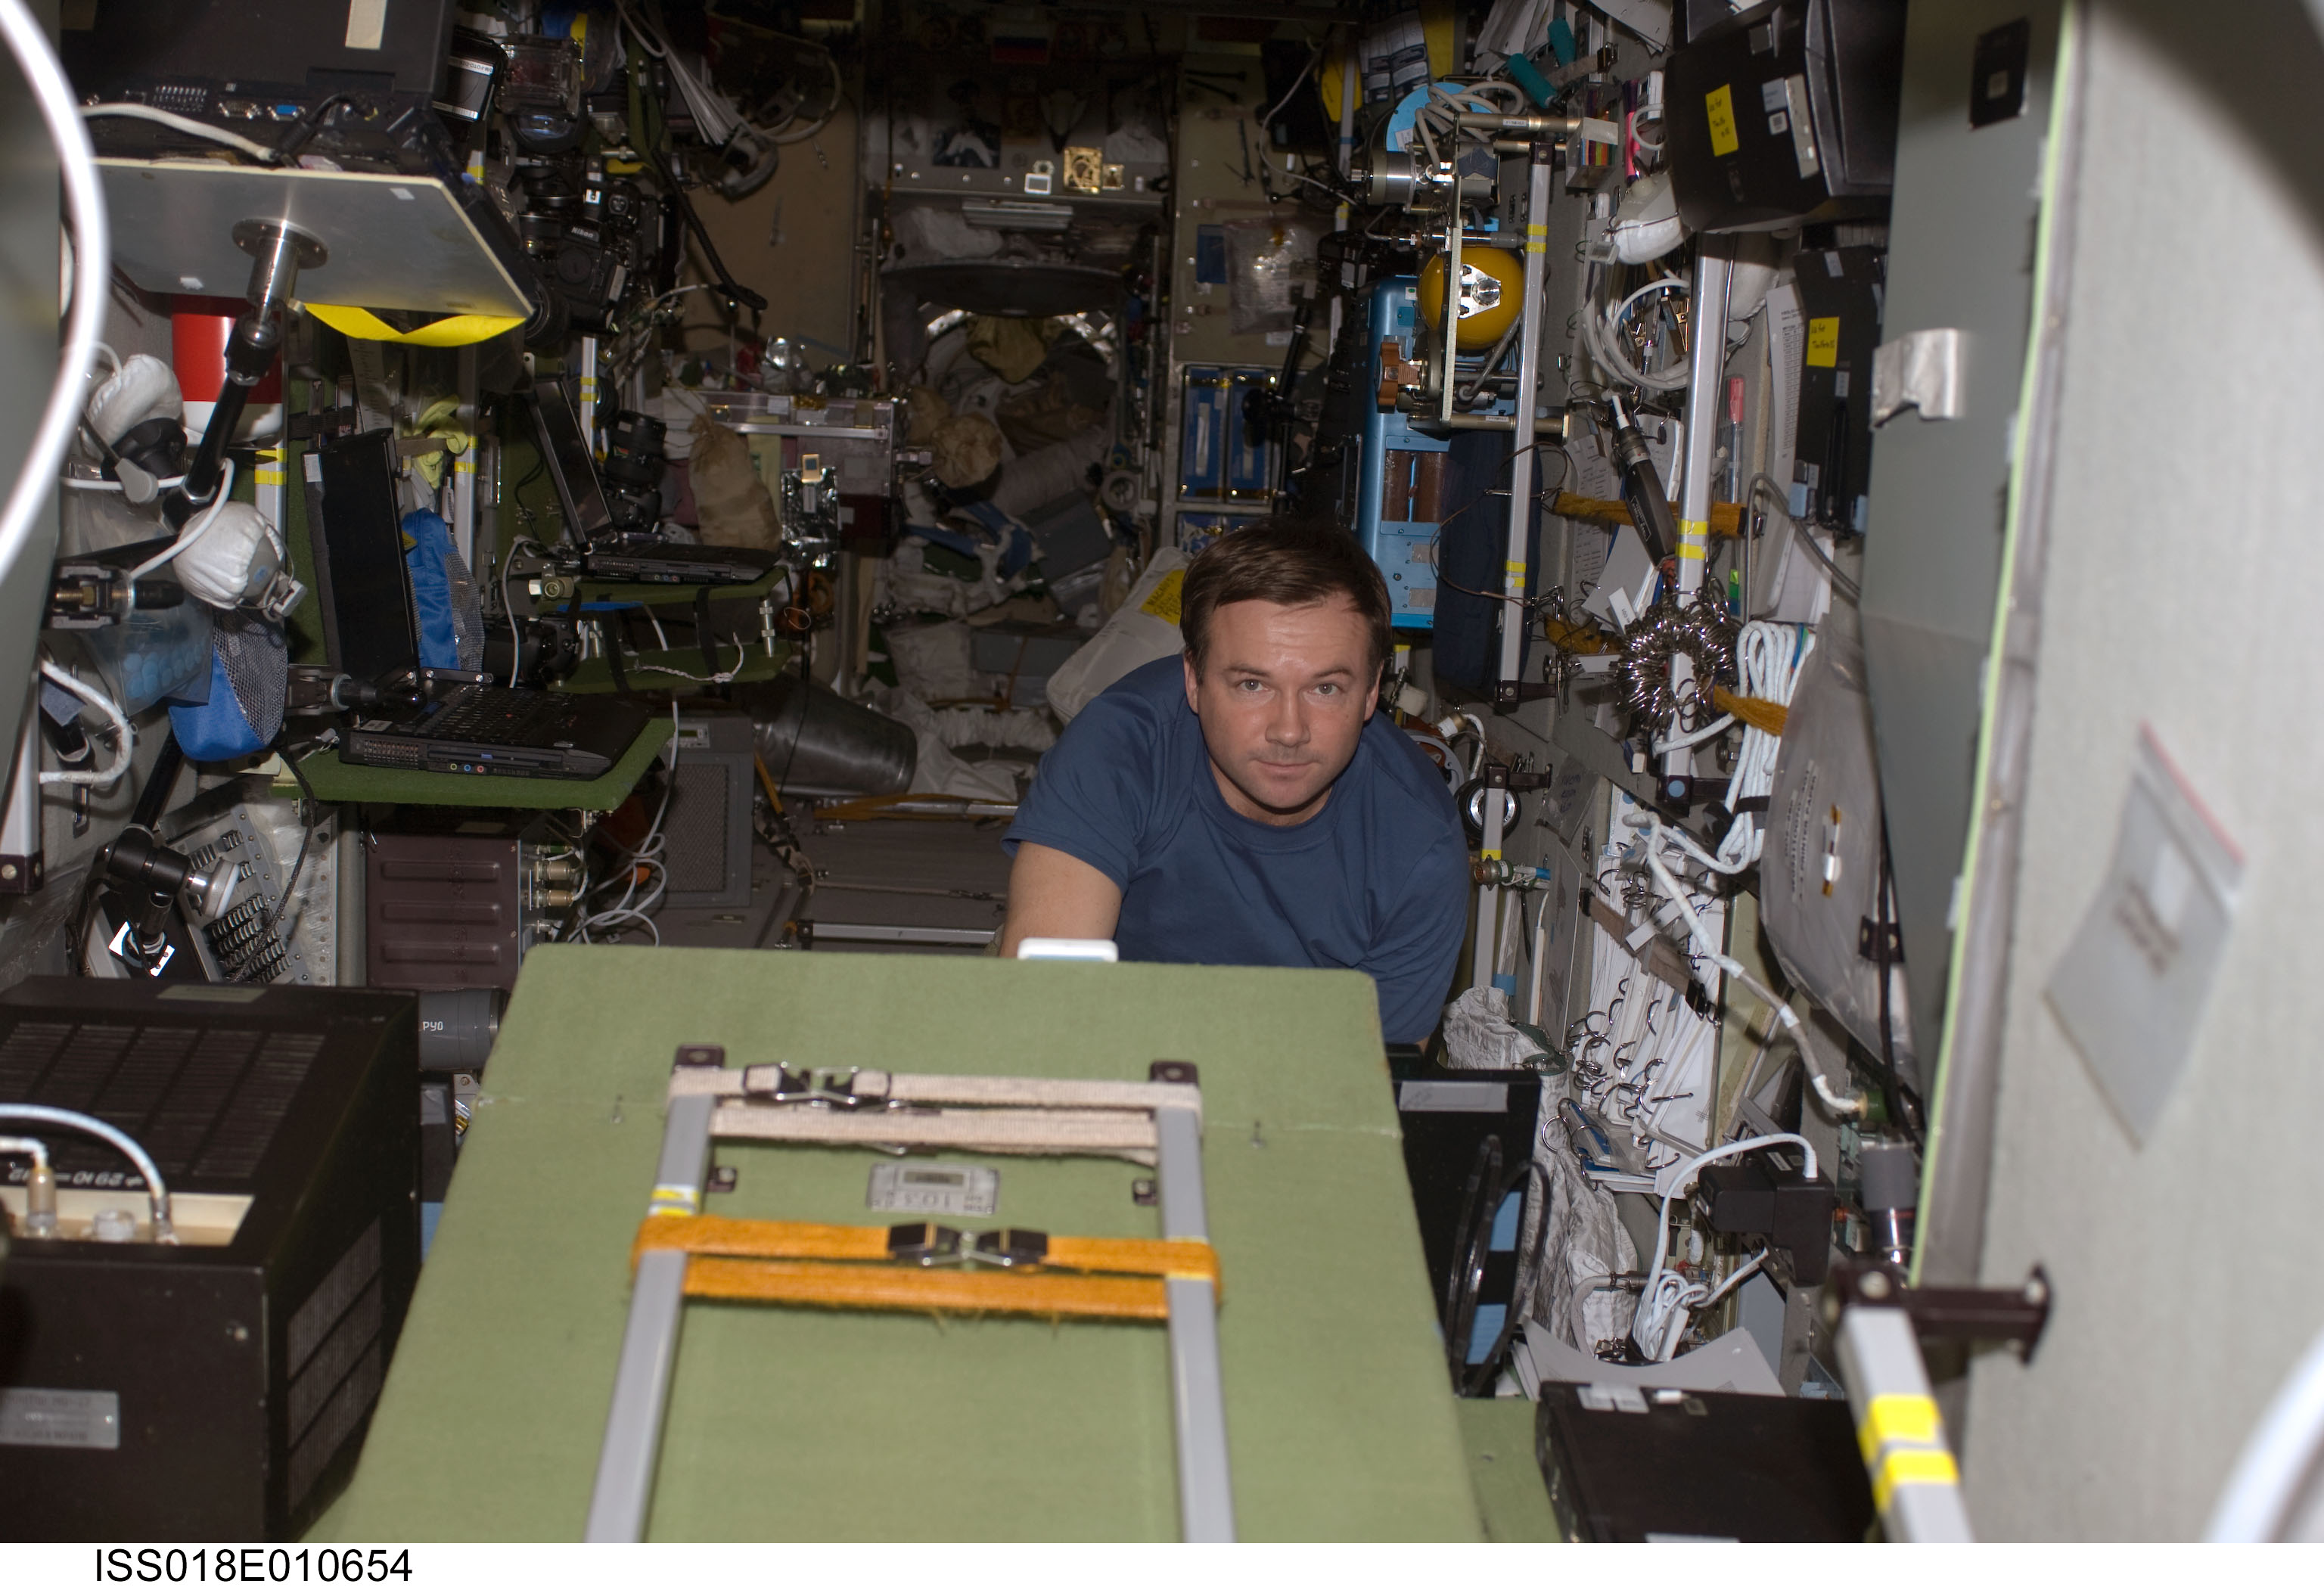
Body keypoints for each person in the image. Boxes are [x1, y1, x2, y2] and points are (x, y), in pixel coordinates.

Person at [1000, 518, 1470, 1043]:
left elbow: (1373, 1086)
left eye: (1326, 689)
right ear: (1194, 681)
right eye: (1252, 684)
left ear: (1371, 691)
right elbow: (1043, 1015)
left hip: (1292, 1076)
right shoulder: (1120, 750)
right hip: (1110, 1041)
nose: (1289, 731)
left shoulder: (1418, 840)